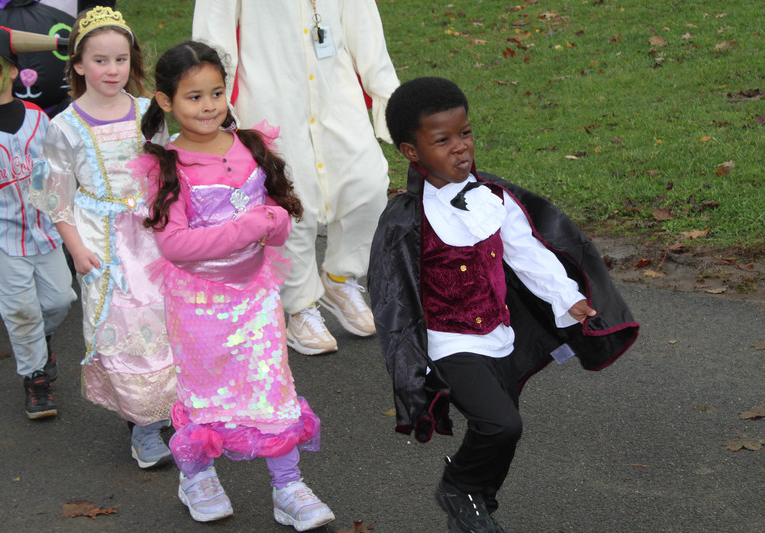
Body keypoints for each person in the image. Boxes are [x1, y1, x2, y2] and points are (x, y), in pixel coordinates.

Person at [369, 77, 640, 533]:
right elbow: (393, 297)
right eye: (442, 140)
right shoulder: (406, 218)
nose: (461, 148)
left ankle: (476, 508)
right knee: (502, 425)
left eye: (466, 133)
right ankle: (458, 486)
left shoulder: (493, 196)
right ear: (411, 151)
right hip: (448, 341)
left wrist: (566, 297)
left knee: (498, 433)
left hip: (500, 338)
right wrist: (411, 371)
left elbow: (528, 252)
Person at [135, 40, 335, 531]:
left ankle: (287, 486)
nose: (208, 107)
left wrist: (275, 223)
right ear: (165, 102)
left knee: (273, 387)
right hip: (198, 305)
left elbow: (281, 218)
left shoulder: (250, 145)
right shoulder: (167, 165)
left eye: (216, 93)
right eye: (194, 97)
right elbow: (177, 245)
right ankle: (197, 475)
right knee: (205, 392)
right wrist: (254, 225)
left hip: (255, 297)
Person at [193, 1, 400, 355]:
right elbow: (214, 34)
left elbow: (364, 26)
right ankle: (301, 305)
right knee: (290, 202)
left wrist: (389, 96)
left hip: (336, 91)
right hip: (271, 96)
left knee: (369, 185)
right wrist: (216, 99)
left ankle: (340, 278)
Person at [29, 6, 177, 469]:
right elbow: (56, 196)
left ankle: (171, 407)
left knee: (167, 320)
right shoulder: (63, 127)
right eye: (100, 60)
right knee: (124, 328)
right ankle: (143, 427)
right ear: (77, 65)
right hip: (103, 240)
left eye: (120, 60)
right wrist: (76, 248)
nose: (112, 70)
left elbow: (171, 166)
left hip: (155, 235)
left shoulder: (148, 113)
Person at [0, 25, 76, 420]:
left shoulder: (38, 117)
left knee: (60, 299)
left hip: (45, 232)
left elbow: (59, 170)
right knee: (21, 311)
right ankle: (35, 379)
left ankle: (40, 344)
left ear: (13, 71)